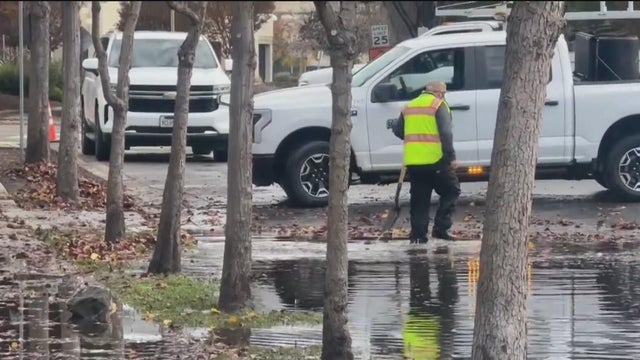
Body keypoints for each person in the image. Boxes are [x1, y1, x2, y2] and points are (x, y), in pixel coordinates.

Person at [392, 81, 461, 244]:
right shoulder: (438, 105)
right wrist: (451, 156)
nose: (444, 96)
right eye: (443, 93)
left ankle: (418, 237)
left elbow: (398, 130)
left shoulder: (409, 106)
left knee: (419, 201)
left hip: (414, 162)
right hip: (436, 160)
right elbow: (446, 132)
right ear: (439, 93)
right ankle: (441, 228)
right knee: (451, 190)